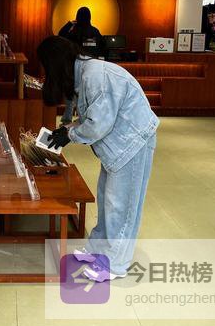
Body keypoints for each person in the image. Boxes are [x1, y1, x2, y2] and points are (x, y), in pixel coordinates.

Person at [37, 36, 158, 282]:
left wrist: (70, 134)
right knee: (107, 199)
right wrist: (67, 128)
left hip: (133, 141)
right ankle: (97, 250)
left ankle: (114, 264)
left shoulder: (94, 76)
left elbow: (97, 124)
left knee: (121, 205)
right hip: (119, 143)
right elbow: (91, 115)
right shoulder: (85, 73)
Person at [58, 6, 104, 124]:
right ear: (90, 17)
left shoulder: (73, 31)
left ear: (77, 17)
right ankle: (85, 119)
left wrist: (70, 23)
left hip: (74, 65)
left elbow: (60, 36)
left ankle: (67, 118)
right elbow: (102, 48)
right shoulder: (95, 31)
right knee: (87, 93)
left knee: (71, 92)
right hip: (92, 66)